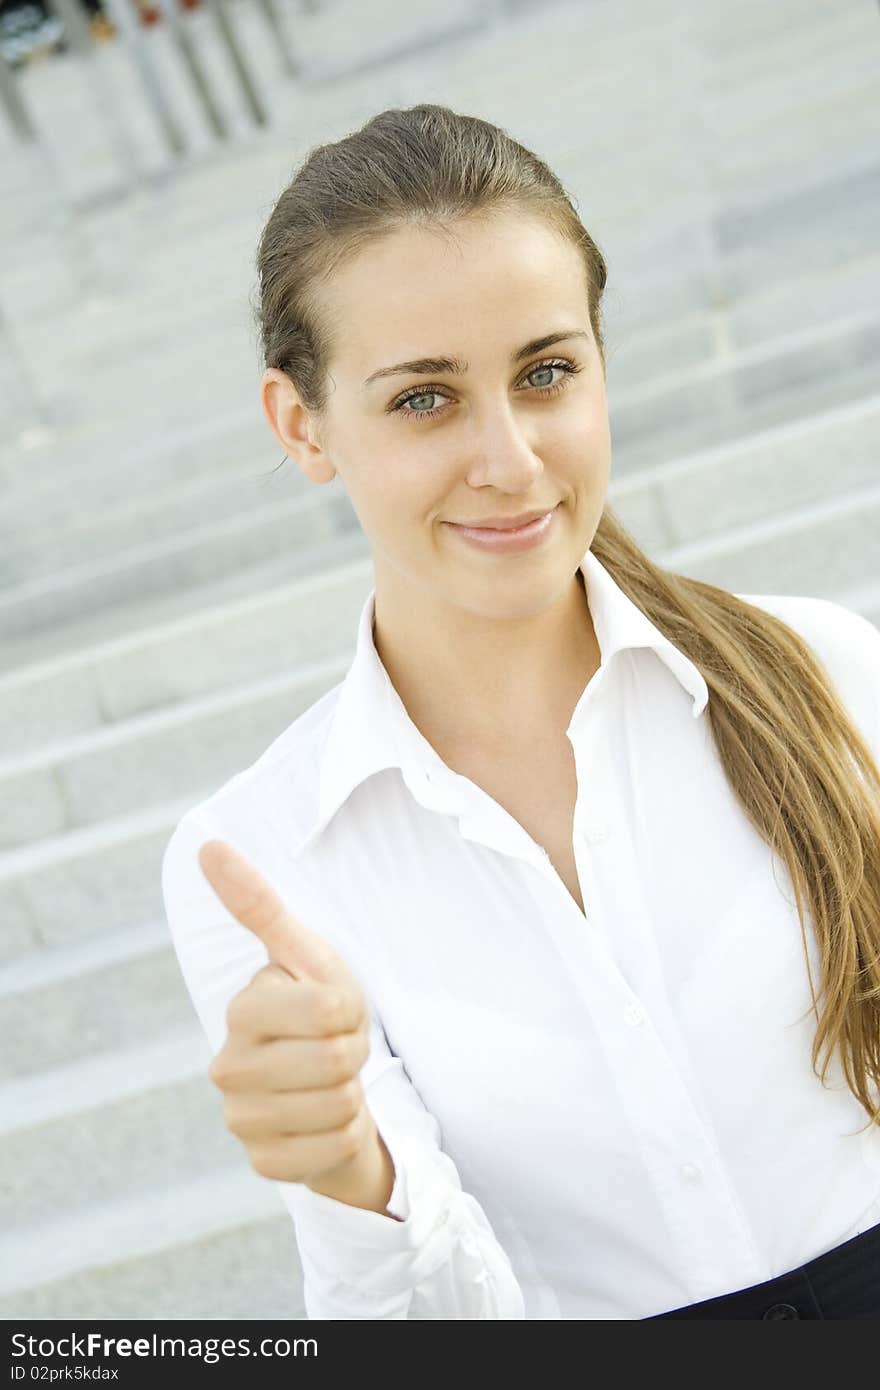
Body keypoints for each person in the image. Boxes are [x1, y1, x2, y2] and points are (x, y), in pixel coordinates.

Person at [160, 103, 880, 1320]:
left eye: (545, 373)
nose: (508, 457)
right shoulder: (260, 857)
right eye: (423, 400)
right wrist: (355, 1176)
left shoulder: (821, 663)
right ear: (302, 424)